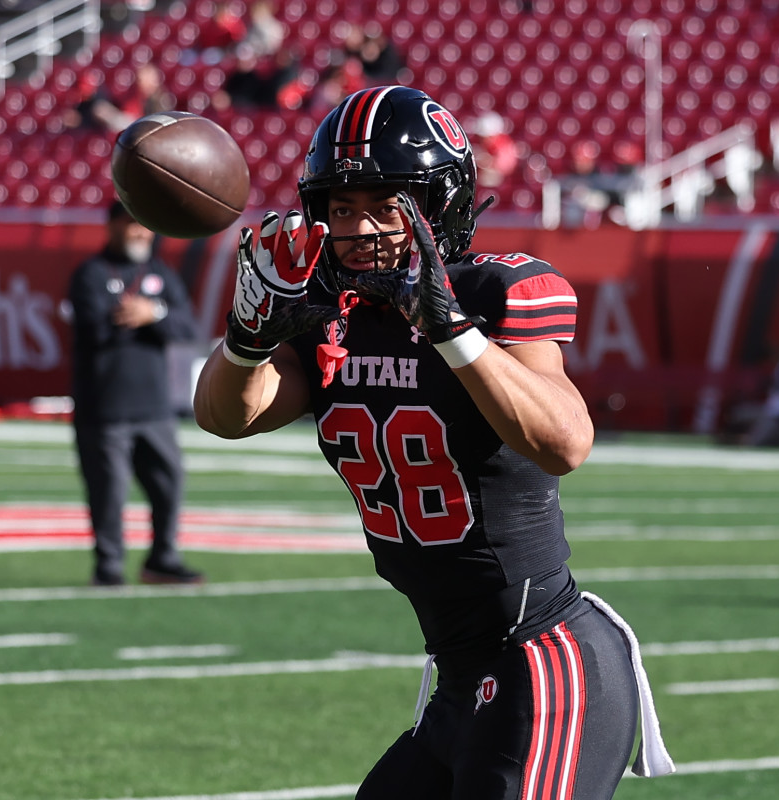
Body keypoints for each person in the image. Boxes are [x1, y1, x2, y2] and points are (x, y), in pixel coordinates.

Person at [193, 86, 674, 799]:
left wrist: (452, 330)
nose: (359, 228)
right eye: (342, 207)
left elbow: (564, 443)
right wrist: (246, 338)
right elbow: (226, 416)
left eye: (387, 205)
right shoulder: (328, 315)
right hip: (461, 674)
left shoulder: (497, 290)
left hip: (542, 659)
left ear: (441, 205)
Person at [68, 201, 203, 586]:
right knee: (108, 492)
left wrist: (153, 314)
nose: (141, 232)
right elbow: (96, 327)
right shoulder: (91, 274)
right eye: (132, 224)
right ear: (111, 226)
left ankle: (163, 558)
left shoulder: (160, 271)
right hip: (104, 406)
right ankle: (108, 567)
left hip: (154, 405)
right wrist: (141, 315)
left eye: (145, 225)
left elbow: (186, 326)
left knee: (169, 481)